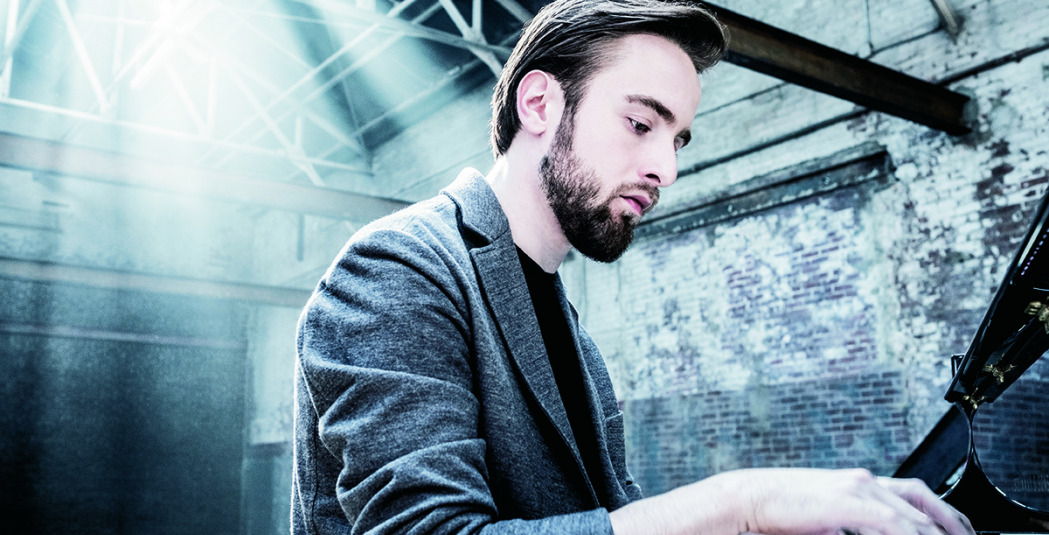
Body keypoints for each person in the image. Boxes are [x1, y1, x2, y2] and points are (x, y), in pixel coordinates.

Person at [291, 0, 976, 534]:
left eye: (677, 138)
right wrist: (741, 499)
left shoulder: (568, 330)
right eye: (640, 124)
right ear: (539, 105)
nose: (666, 168)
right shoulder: (397, 266)